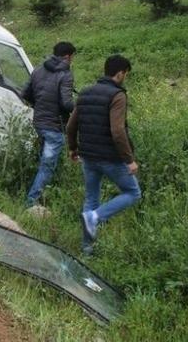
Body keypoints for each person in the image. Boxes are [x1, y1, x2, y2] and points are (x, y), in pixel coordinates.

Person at [66, 54, 141, 255]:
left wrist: (72, 148)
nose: (125, 77)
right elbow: (118, 131)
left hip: (88, 156)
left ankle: (87, 249)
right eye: (125, 74)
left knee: (91, 198)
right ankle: (95, 217)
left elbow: (71, 125)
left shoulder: (85, 93)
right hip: (110, 158)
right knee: (133, 193)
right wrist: (129, 160)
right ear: (120, 73)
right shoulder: (118, 95)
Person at [21, 41, 76, 207]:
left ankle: (41, 194)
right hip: (54, 125)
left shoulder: (38, 69)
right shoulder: (65, 74)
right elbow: (66, 103)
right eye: (72, 57)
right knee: (47, 166)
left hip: (39, 122)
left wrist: (39, 105)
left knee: (44, 161)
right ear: (68, 56)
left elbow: (25, 93)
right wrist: (81, 105)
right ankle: (31, 202)